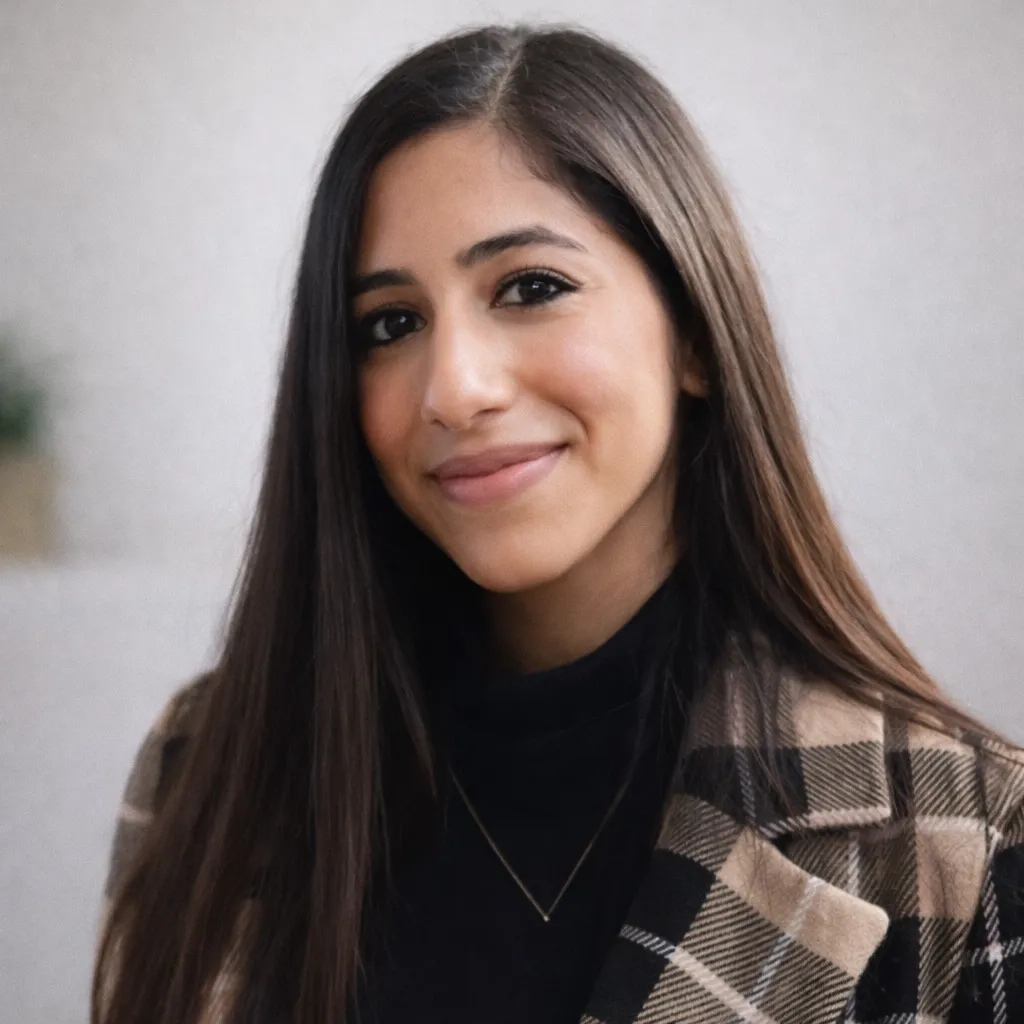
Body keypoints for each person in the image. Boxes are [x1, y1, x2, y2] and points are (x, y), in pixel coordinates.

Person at [92, 21, 1024, 1024]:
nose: (455, 389)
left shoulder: (963, 833)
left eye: (531, 288)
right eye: (391, 324)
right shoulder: (209, 767)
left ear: (693, 335)